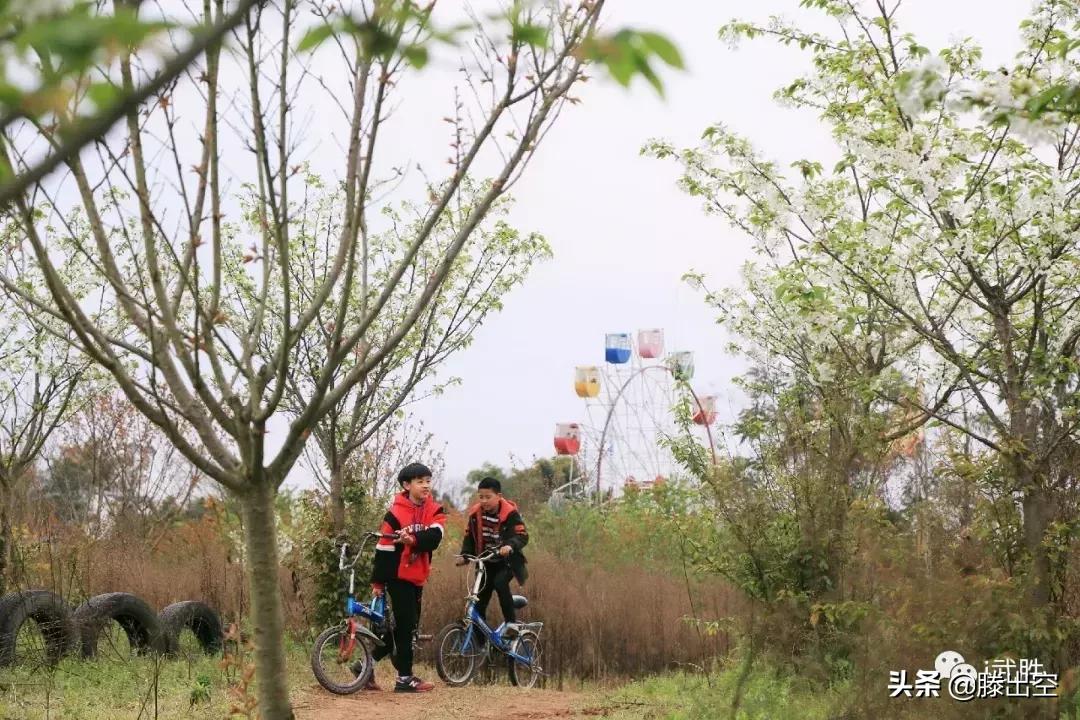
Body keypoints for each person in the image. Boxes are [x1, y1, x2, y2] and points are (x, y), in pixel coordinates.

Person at [368, 462, 446, 693]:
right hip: (397, 576)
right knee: (405, 626)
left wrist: (412, 540)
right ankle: (404, 678)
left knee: (406, 629)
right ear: (406, 485)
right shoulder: (394, 513)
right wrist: (378, 583)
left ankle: (363, 666)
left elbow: (435, 536)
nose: (426, 486)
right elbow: (383, 549)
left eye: (428, 481)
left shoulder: (435, 509)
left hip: (418, 577)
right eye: (420, 481)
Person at [457, 476, 529, 641]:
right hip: (485, 562)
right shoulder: (475, 514)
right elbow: (469, 537)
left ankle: (512, 624)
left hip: (507, 562)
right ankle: (482, 644)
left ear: (499, 496)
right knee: (479, 601)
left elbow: (522, 535)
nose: (484, 501)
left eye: (488, 497)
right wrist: (465, 555)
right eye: (481, 497)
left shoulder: (510, 513)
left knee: (500, 582)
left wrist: (510, 546)